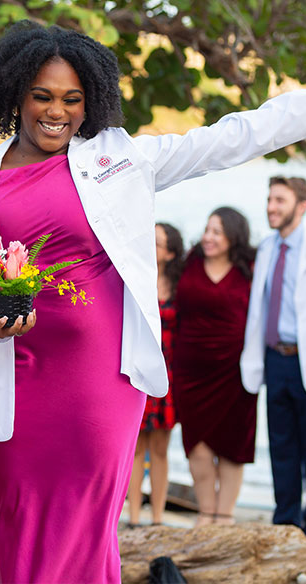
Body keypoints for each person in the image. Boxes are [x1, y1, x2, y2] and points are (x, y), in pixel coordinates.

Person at [0, 15, 306, 583]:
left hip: (99, 379)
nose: (57, 112)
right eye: (42, 96)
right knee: (14, 517)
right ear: (15, 93)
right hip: (15, 376)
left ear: (92, 102)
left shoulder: (116, 159)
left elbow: (228, 139)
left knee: (85, 524)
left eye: (72, 99)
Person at [240, 176, 306, 542]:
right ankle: (285, 527)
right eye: (269, 199)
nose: (271, 207)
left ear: (301, 206)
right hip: (274, 360)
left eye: (279, 200)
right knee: (281, 449)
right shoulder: (267, 248)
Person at [174, 207, 258, 526]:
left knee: (233, 444)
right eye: (207, 230)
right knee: (196, 444)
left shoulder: (249, 267)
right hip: (191, 369)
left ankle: (225, 517)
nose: (208, 237)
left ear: (233, 236)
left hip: (235, 370)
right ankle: (205, 514)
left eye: (217, 232)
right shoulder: (190, 262)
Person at [127, 222, 184, 527]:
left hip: (169, 373)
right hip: (139, 369)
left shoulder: (180, 287)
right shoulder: (138, 277)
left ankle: (158, 518)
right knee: (135, 448)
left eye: (159, 242)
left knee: (160, 449)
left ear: (171, 252)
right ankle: (134, 517)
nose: (152, 244)